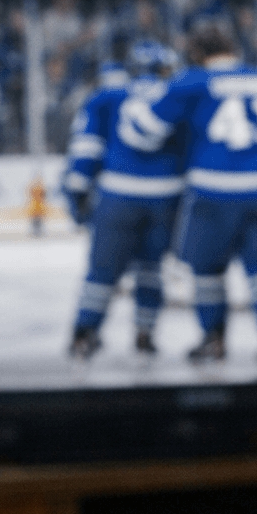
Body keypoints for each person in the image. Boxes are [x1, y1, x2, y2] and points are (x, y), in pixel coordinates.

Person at [119, 23, 257, 362]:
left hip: (215, 191)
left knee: (208, 271)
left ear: (198, 54)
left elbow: (143, 132)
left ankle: (214, 340)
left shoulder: (192, 80)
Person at [65, 42, 184, 359]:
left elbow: (86, 146)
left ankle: (84, 334)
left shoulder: (107, 96)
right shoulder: (178, 94)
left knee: (102, 271)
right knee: (151, 268)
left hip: (118, 196)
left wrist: (77, 189)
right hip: (166, 197)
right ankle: (145, 335)